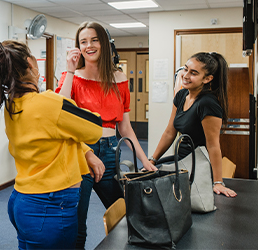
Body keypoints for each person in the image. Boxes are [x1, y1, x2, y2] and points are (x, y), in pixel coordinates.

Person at [0, 40, 104, 249]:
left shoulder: (12, 106)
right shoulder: (48, 103)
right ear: (31, 63)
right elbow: (94, 128)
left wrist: (85, 152)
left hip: (23, 201)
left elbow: (54, 136)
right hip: (49, 206)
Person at [55, 21, 157, 249]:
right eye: (83, 41)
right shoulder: (71, 77)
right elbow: (57, 111)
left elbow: (126, 128)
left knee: (126, 212)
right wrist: (70, 71)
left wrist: (144, 159)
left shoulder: (119, 79)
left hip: (111, 152)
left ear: (104, 43)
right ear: (78, 47)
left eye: (94, 40)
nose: (89, 45)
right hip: (81, 154)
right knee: (77, 222)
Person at [149, 52, 237, 198]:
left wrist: (218, 182)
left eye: (194, 73)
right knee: (147, 177)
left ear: (207, 79)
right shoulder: (181, 96)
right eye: (186, 69)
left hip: (198, 165)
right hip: (181, 160)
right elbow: (170, 132)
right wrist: (152, 160)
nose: (186, 75)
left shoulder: (208, 103)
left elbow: (213, 145)